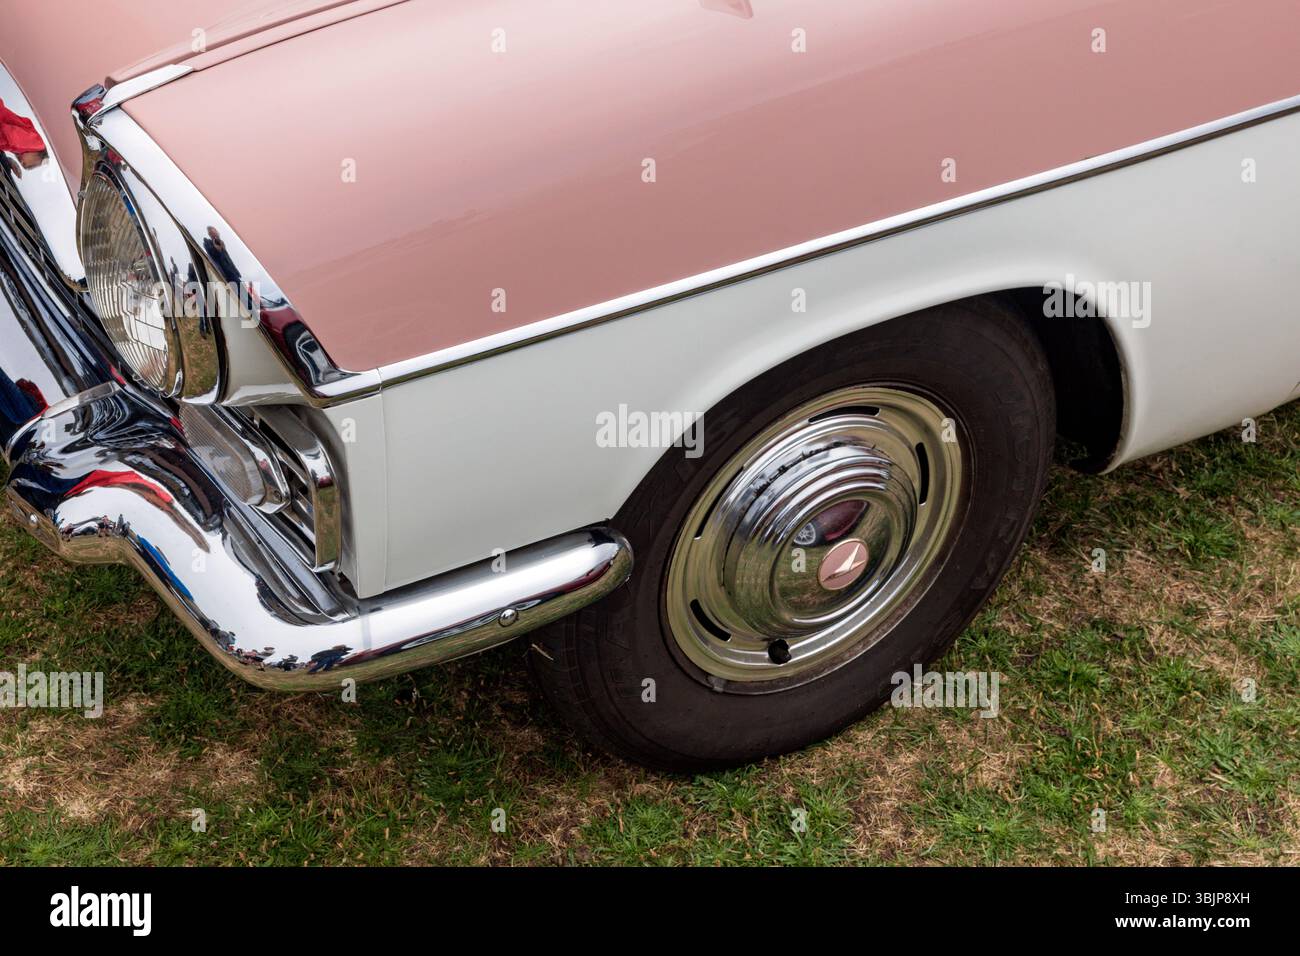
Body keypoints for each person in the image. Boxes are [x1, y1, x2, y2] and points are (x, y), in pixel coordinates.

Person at [0, 98, 48, 176]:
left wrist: (7, 161)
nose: (21, 162)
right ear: (39, 159)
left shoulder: (23, 148)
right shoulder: (36, 144)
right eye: (29, 166)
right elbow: (7, 134)